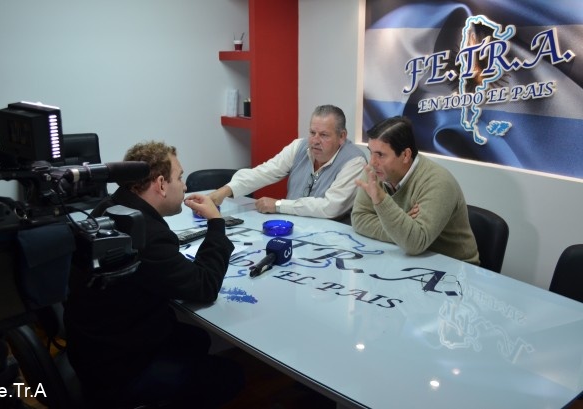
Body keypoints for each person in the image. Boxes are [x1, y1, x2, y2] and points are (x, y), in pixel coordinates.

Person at [64, 141, 244, 408]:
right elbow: (205, 286)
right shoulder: (147, 234)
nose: (184, 186)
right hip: (117, 371)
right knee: (231, 376)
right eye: (180, 177)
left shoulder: (110, 207)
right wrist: (216, 223)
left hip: (94, 347)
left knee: (198, 338)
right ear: (161, 184)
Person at [352, 116, 479, 264]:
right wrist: (402, 227)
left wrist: (381, 200)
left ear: (406, 155)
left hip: (456, 267)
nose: (372, 162)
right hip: (408, 259)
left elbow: (415, 243)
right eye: (371, 152)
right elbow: (359, 219)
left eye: (380, 155)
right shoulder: (376, 172)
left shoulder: (438, 181)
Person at [209, 104, 367, 220]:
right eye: (312, 132)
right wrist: (224, 191)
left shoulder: (354, 161)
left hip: (332, 239)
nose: (315, 140)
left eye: (324, 135)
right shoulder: (299, 146)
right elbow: (264, 172)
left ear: (342, 136)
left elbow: (330, 207)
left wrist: (279, 205)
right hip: (293, 228)